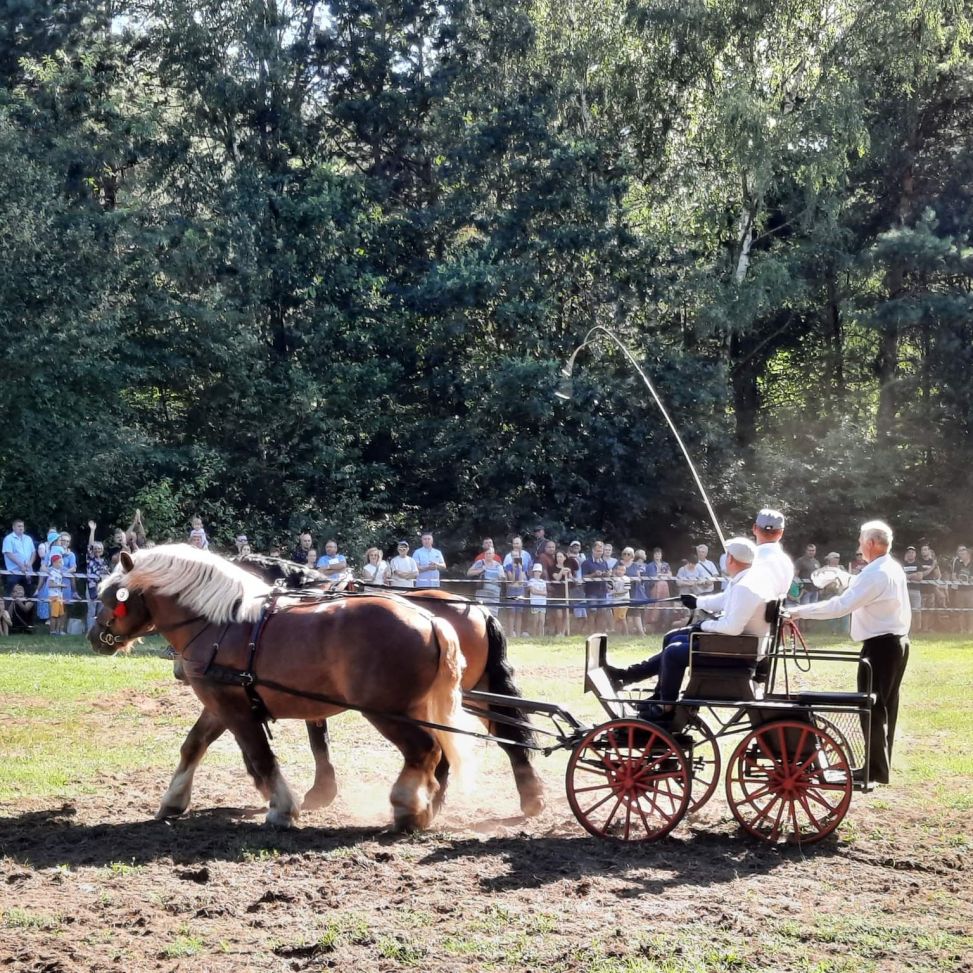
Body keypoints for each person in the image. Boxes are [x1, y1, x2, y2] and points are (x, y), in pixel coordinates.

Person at [788, 520, 910, 785]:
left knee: (871, 707)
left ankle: (875, 769)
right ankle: (878, 765)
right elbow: (861, 585)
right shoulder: (887, 566)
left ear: (871, 543)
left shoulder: (877, 573)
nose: (858, 545)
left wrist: (797, 611)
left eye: (860, 540)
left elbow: (840, 606)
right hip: (894, 643)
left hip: (881, 646)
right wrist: (841, 576)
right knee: (884, 707)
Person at [605, 538, 771, 719]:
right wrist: (697, 601)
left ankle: (666, 706)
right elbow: (723, 600)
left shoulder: (745, 587)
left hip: (736, 651)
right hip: (736, 646)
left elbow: (732, 627)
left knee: (673, 652)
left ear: (731, 559)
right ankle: (642, 684)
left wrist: (704, 625)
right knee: (672, 638)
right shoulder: (744, 581)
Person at [503, 537, 532, 636]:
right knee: (511, 612)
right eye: (513, 556)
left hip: (520, 590)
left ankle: (518, 634)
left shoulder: (522, 567)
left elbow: (520, 581)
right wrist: (515, 569)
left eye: (517, 556)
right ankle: (511, 633)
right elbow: (512, 580)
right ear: (511, 557)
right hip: (511, 590)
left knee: (519, 613)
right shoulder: (508, 567)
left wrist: (519, 568)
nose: (515, 558)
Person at [581, 540, 611, 633]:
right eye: (598, 551)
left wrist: (607, 574)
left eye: (601, 551)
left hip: (602, 590)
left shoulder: (604, 563)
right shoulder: (586, 563)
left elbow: (606, 576)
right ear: (593, 551)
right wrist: (594, 574)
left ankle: (600, 631)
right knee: (592, 611)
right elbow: (583, 577)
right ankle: (591, 631)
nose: (599, 553)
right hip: (591, 591)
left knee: (602, 612)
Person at [85, 523, 111, 629]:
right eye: (96, 548)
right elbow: (90, 545)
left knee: (101, 610)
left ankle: (99, 630)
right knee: (91, 610)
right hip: (92, 587)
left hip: (102, 587)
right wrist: (92, 530)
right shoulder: (90, 558)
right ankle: (90, 630)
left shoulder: (104, 561)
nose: (97, 550)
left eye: (100, 548)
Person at [467, 547, 505, 617]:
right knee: (480, 614)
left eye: (490, 553)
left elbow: (503, 579)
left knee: (492, 617)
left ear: (493, 555)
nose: (488, 555)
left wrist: (502, 576)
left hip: (494, 595)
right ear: (484, 555)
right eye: (486, 553)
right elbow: (469, 573)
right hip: (481, 594)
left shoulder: (498, 565)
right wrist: (480, 570)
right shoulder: (480, 563)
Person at [3, 519, 36, 596]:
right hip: (14, 572)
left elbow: (33, 552)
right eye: (19, 526)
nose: (21, 528)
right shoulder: (8, 539)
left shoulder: (28, 538)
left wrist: (30, 563)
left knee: (28, 595)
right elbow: (9, 553)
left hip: (28, 572)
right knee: (11, 594)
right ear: (13, 527)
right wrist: (21, 565)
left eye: (22, 526)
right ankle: (7, 608)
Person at [645, 548, 673, 632]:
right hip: (655, 587)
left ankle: (664, 626)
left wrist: (660, 575)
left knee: (665, 605)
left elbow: (670, 575)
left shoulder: (665, 564)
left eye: (659, 554)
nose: (657, 555)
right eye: (656, 554)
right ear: (653, 555)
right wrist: (662, 575)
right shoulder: (650, 565)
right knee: (655, 606)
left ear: (661, 555)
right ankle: (654, 626)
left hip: (665, 588)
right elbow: (653, 577)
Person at [549, 550, 573, 637]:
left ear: (564, 558)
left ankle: (563, 632)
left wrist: (569, 573)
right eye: (557, 556)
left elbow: (572, 580)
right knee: (558, 615)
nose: (559, 558)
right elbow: (557, 578)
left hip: (566, 593)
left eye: (561, 556)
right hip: (557, 593)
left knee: (566, 614)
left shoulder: (568, 568)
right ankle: (558, 632)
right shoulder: (552, 568)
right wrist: (561, 571)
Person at [949, 544, 973, 634]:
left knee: (971, 610)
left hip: (971, 590)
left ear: (968, 555)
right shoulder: (958, 564)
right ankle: (962, 629)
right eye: (961, 554)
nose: (961, 556)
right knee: (960, 610)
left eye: (963, 554)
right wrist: (957, 580)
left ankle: (970, 629)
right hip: (960, 590)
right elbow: (953, 576)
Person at [46, 553, 67, 635]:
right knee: (54, 615)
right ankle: (52, 631)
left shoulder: (59, 572)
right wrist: (60, 585)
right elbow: (50, 584)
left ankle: (58, 631)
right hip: (53, 596)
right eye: (59, 562)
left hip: (59, 595)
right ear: (54, 562)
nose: (61, 564)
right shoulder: (52, 572)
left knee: (60, 614)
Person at [527, 563, 548, 637]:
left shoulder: (543, 582)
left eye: (539, 571)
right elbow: (532, 591)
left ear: (541, 573)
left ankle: (541, 636)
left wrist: (538, 592)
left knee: (542, 621)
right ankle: (534, 635)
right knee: (535, 620)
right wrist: (541, 592)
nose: (537, 573)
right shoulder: (531, 581)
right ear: (533, 572)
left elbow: (545, 593)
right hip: (535, 602)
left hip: (542, 602)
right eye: (536, 571)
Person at [609, 562, 631, 634]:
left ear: (625, 571)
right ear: (616, 570)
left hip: (624, 600)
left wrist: (615, 592)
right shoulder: (612, 579)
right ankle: (616, 632)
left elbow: (626, 590)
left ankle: (626, 632)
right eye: (619, 569)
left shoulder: (626, 579)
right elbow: (610, 589)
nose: (620, 571)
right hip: (615, 601)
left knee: (622, 617)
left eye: (622, 570)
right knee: (616, 617)